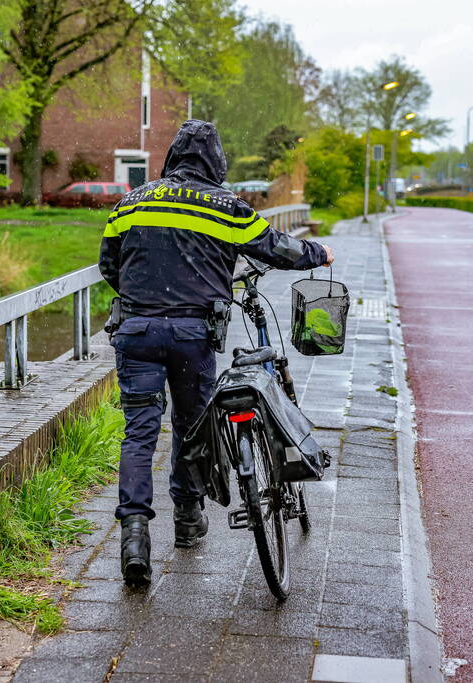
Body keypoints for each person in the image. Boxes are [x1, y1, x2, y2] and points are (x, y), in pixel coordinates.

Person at [99, 119, 335, 587]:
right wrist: (319, 253)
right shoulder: (227, 206)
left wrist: (149, 301)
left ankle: (135, 539)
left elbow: (110, 265)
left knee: (138, 435)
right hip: (192, 336)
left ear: (172, 156)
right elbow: (276, 248)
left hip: (137, 330)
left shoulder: (132, 201)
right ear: (216, 161)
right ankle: (188, 520)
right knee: (190, 429)